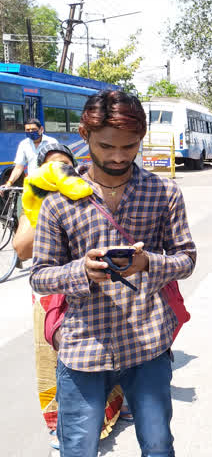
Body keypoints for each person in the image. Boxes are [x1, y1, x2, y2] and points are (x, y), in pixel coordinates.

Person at [30, 90, 197, 457]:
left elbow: (186, 259)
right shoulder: (60, 201)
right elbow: (40, 275)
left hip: (148, 341)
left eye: (130, 146)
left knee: (158, 445)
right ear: (84, 135)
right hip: (83, 347)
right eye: (106, 147)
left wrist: (148, 264)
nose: (119, 157)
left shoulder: (163, 193)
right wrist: (81, 271)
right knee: (78, 447)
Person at [13, 143, 125, 452]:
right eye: (50, 168)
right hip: (50, 296)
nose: (58, 173)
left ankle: (109, 412)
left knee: (103, 355)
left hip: (89, 293)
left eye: (64, 166)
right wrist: (47, 210)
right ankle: (61, 424)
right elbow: (22, 250)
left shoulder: (87, 198)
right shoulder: (34, 204)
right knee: (55, 361)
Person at [3, 118, 58, 187]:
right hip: (32, 185)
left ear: (41, 129)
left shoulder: (52, 142)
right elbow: (18, 167)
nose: (31, 132)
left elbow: (58, 165)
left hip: (50, 185)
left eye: (33, 129)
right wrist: (9, 183)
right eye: (28, 130)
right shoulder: (24, 144)